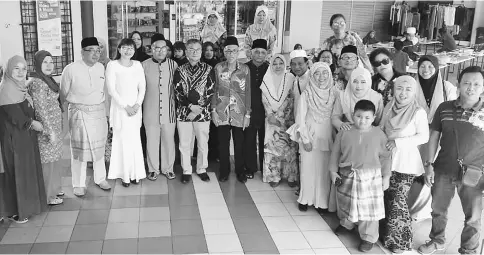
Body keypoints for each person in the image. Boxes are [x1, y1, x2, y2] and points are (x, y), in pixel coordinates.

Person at [418, 66, 484, 255]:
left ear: (483, 87)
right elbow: (433, 137)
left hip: (475, 173)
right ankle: (437, 240)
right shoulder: (444, 108)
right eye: (466, 83)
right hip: (443, 169)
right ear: (458, 84)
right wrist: (429, 164)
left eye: (476, 84)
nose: (471, 88)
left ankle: (468, 250)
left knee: (473, 216)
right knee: (438, 209)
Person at [329, 99, 391, 253]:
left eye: (367, 118)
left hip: (371, 178)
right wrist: (332, 171)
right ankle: (347, 223)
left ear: (374, 117)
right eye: (358, 116)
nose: (362, 121)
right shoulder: (344, 131)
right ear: (352, 115)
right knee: (346, 202)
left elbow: (386, 157)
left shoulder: (379, 134)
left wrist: (386, 176)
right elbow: (336, 152)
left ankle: (368, 236)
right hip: (347, 174)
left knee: (369, 208)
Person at [379, 76, 429, 254]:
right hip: (386, 161)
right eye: (400, 88)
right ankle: (385, 234)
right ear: (394, 89)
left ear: (414, 92)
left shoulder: (418, 112)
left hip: (405, 163)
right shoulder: (389, 107)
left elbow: (424, 137)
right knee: (387, 198)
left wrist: (398, 142)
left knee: (398, 202)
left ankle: (400, 242)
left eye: (408, 89)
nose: (403, 93)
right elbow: (381, 128)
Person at [407, 55, 458, 221]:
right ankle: (411, 206)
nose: (426, 70)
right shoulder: (412, 85)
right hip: (415, 136)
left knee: (431, 172)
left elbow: (453, 110)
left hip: (438, 137)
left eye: (430, 66)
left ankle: (423, 210)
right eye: (423, 66)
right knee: (415, 170)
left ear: (437, 68)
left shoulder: (446, 87)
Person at [60, 37, 111, 197]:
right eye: (92, 50)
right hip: (79, 113)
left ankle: (100, 178)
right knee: (79, 151)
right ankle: (78, 184)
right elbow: (62, 94)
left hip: (98, 112)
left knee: (99, 148)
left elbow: (105, 92)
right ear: (82, 52)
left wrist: (107, 114)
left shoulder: (101, 68)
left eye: (98, 50)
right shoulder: (71, 69)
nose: (96, 54)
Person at [0, 55, 47, 223]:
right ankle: (17, 211)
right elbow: (16, 117)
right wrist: (34, 123)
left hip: (24, 138)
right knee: (18, 173)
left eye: (23, 69)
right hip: (14, 140)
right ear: (9, 70)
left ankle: (24, 207)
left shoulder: (20, 87)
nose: (20, 72)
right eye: (16, 68)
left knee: (25, 172)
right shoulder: (7, 89)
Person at [287, 62, 337, 212]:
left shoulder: (335, 93)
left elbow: (338, 115)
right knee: (307, 169)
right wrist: (305, 139)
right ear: (312, 75)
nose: (321, 77)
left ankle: (322, 202)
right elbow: (300, 118)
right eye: (317, 73)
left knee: (324, 170)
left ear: (329, 75)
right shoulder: (307, 93)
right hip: (309, 135)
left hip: (327, 137)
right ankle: (305, 199)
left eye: (324, 73)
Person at [105, 38, 146, 187]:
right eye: (125, 48)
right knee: (122, 141)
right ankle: (124, 175)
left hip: (135, 110)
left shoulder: (137, 65)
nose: (128, 51)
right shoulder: (112, 65)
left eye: (131, 48)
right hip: (120, 110)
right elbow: (111, 90)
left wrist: (137, 105)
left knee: (135, 141)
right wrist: (126, 106)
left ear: (134, 50)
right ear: (119, 49)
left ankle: (136, 174)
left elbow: (142, 87)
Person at [174, 38, 215, 184]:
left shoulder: (208, 69)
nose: (195, 52)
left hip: (203, 114)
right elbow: (177, 91)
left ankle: (202, 169)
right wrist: (190, 107)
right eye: (191, 49)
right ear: (186, 52)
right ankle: (186, 170)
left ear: (201, 52)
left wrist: (199, 109)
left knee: (203, 143)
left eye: (198, 49)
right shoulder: (179, 70)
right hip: (184, 113)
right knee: (185, 143)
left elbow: (210, 91)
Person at [28, 50, 65, 205]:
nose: (49, 65)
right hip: (46, 129)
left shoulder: (48, 79)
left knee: (55, 159)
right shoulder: (37, 82)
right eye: (45, 62)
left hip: (54, 126)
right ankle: (48, 195)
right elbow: (41, 109)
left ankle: (54, 188)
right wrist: (49, 131)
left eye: (51, 62)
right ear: (38, 64)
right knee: (47, 163)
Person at [212, 36, 251, 183]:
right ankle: (224, 171)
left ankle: (240, 171)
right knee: (223, 144)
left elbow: (247, 92)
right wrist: (213, 110)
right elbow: (214, 90)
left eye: (234, 51)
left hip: (239, 112)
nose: (231, 54)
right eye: (228, 51)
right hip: (222, 112)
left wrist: (248, 114)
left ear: (238, 51)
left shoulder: (245, 69)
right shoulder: (218, 68)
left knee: (239, 143)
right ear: (224, 52)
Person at [143, 34, 178, 181]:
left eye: (164, 48)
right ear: (152, 49)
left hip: (169, 109)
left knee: (168, 140)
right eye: (157, 48)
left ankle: (168, 168)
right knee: (151, 139)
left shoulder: (173, 65)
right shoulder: (143, 65)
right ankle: (153, 169)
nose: (161, 51)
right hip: (150, 109)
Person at [260, 54, 298, 188]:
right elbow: (264, 98)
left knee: (289, 149)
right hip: (271, 121)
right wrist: (270, 114)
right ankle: (273, 176)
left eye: (280, 63)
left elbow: (292, 98)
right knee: (272, 149)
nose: (277, 66)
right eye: (274, 63)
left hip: (288, 119)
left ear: (285, 65)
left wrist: (281, 115)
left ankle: (290, 176)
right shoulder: (266, 79)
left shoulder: (291, 78)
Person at [245, 39, 269, 179]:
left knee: (265, 140)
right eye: (257, 52)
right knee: (249, 140)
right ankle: (250, 168)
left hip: (266, 111)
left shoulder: (270, 68)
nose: (259, 55)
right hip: (249, 110)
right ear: (251, 53)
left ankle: (265, 168)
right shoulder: (244, 68)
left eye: (262, 52)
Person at [332, 67, 384, 131]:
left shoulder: (376, 97)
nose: (358, 86)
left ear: (368, 82)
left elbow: (379, 120)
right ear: (350, 81)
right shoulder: (343, 96)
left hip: (369, 133)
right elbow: (335, 117)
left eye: (363, 82)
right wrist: (341, 124)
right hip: (348, 132)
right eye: (355, 81)